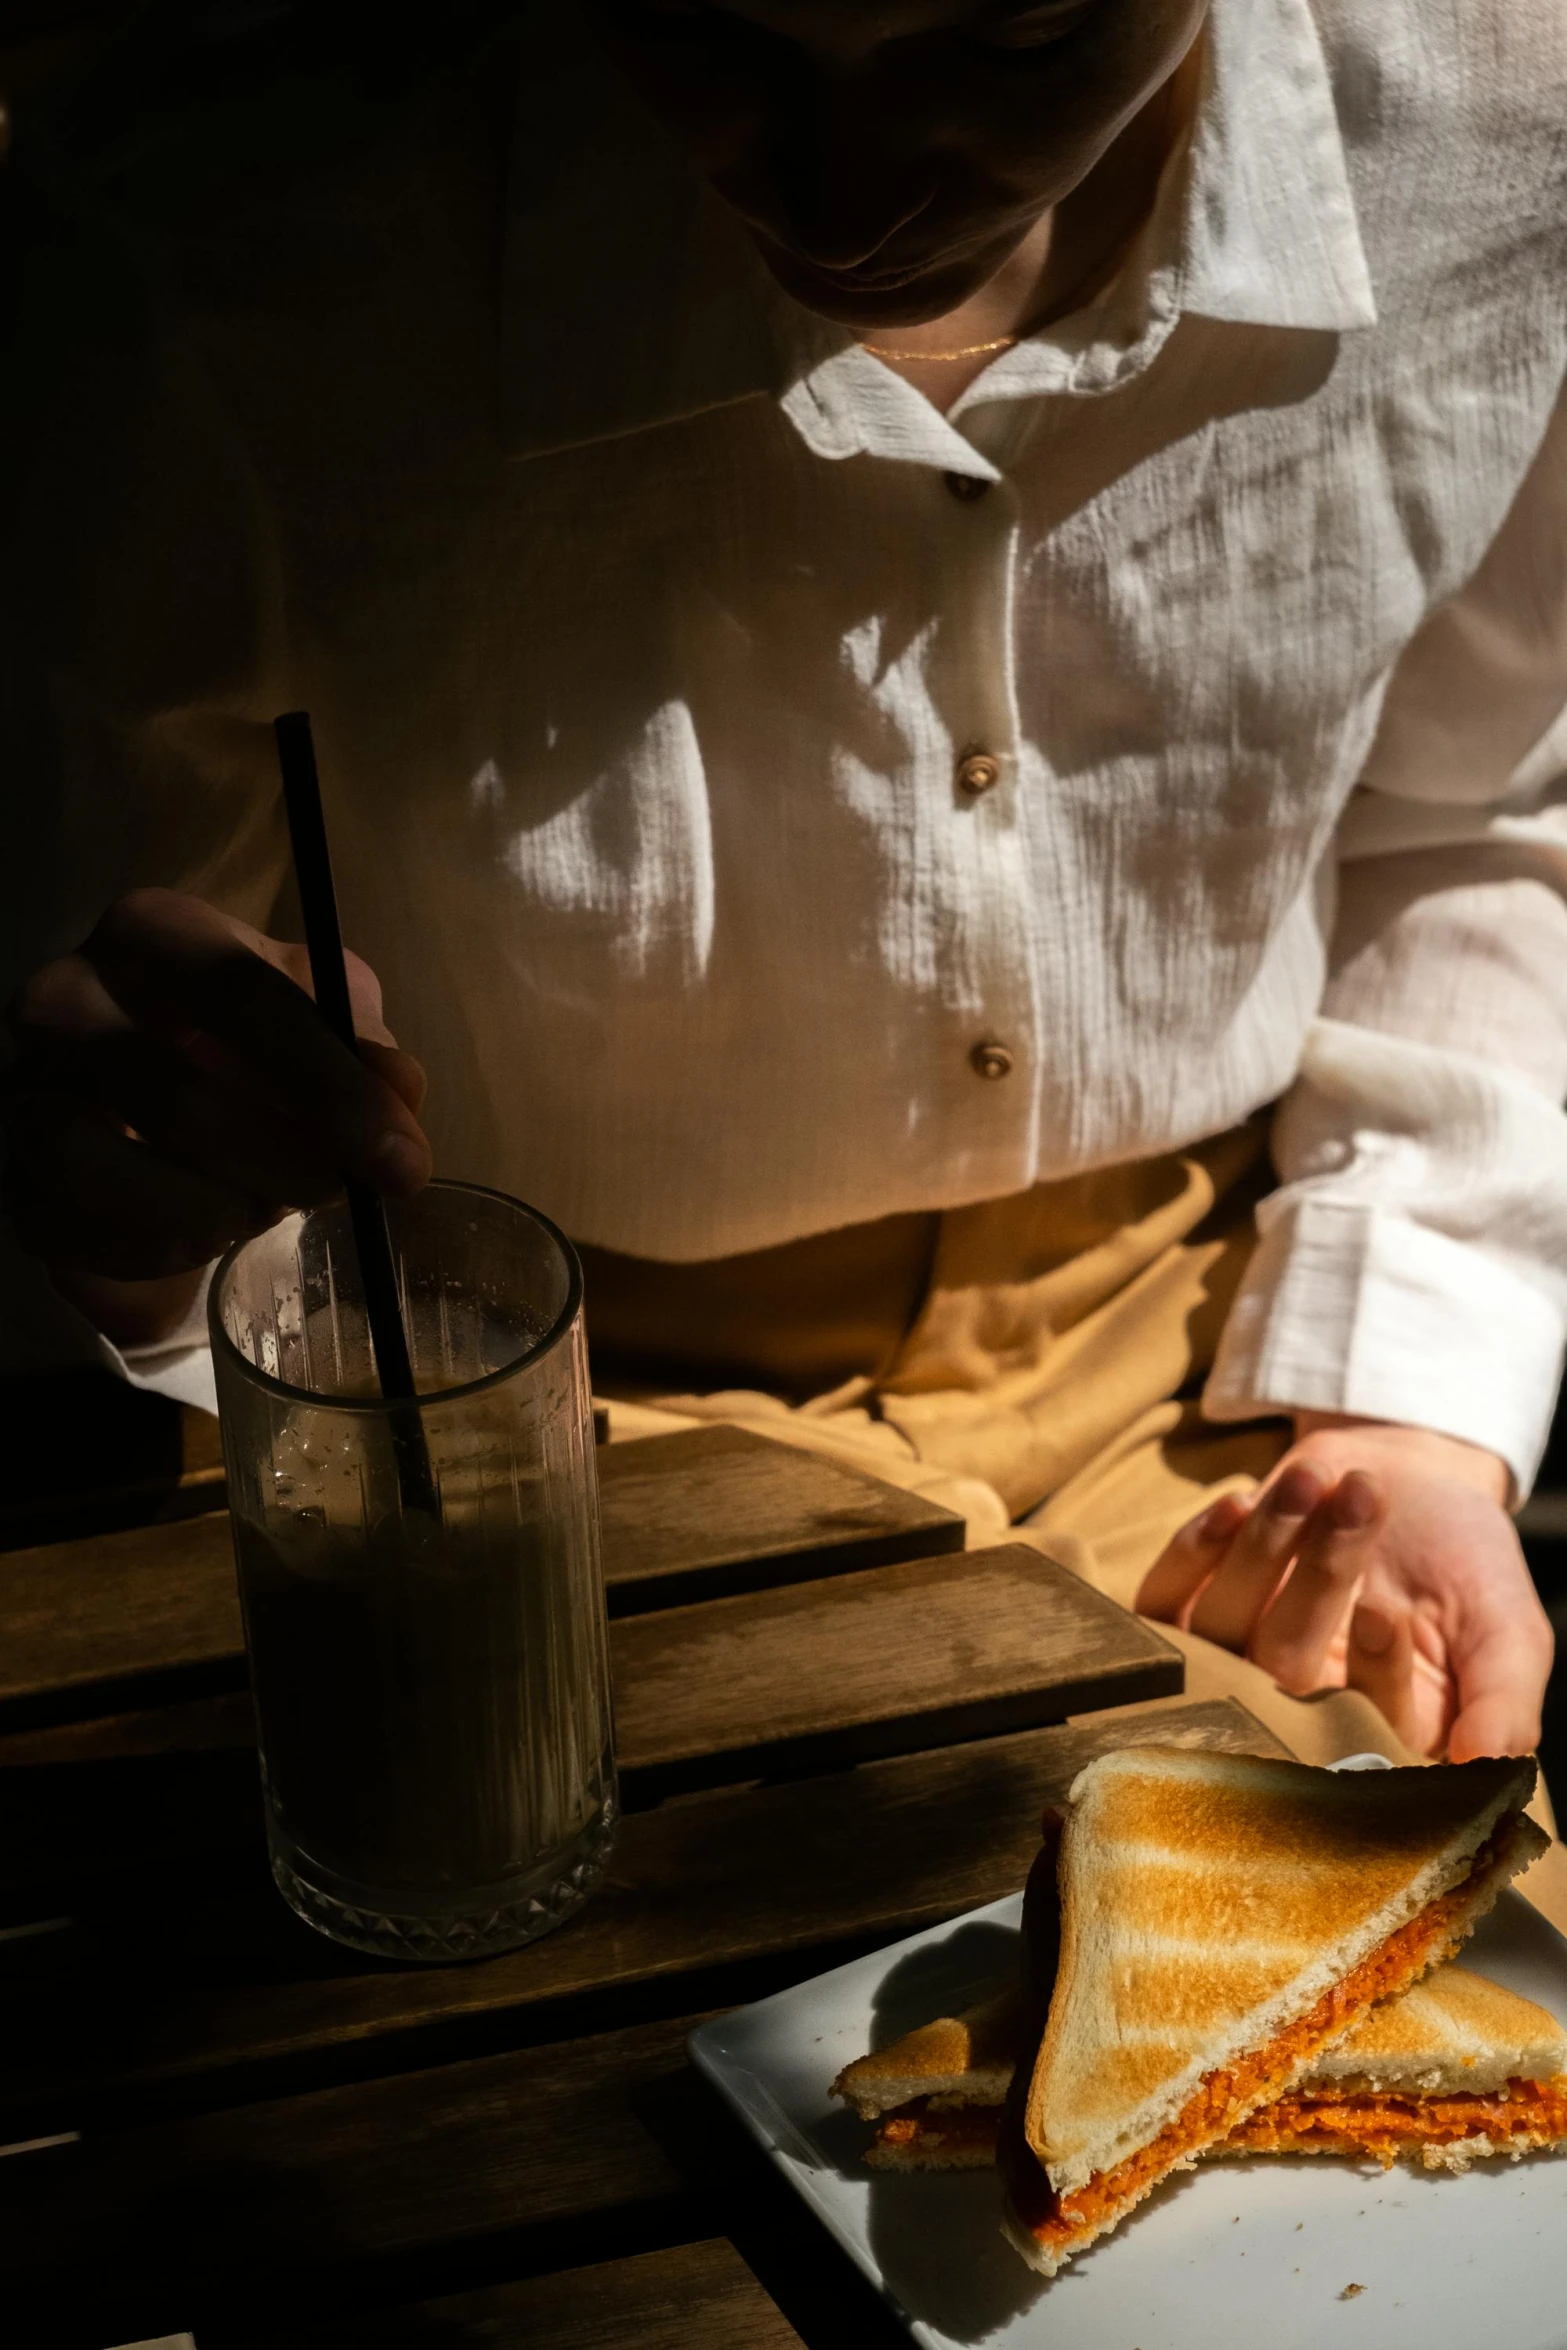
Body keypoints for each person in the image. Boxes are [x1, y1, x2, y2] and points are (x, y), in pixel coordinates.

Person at [3, 0, 1566, 1774]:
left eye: (1013, 30)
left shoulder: (1508, 107)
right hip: (542, 1432)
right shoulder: (232, 236)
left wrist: (1414, 1394)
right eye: (714, 25)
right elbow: (110, 1061)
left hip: (1223, 1387)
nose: (845, 185)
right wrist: (135, 1222)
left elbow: (1474, 808)